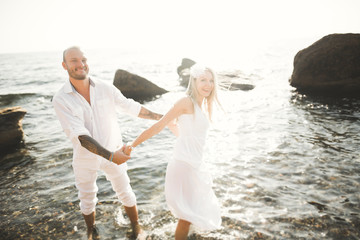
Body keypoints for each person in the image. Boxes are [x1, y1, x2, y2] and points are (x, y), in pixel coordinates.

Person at [52, 46, 163, 239]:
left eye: (83, 59)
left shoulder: (105, 88)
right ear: (64, 65)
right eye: (74, 61)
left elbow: (131, 107)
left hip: (114, 150)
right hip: (86, 157)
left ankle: (136, 226)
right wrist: (112, 156)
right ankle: (90, 231)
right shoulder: (61, 99)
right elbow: (81, 137)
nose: (81, 64)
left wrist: (163, 118)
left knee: (125, 192)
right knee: (87, 199)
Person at [127, 64, 222, 239]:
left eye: (211, 80)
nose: (208, 85)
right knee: (186, 218)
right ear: (193, 81)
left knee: (191, 214)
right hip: (183, 165)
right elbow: (160, 125)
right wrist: (133, 145)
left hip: (195, 165)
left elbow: (182, 132)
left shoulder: (201, 105)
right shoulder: (186, 102)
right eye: (203, 80)